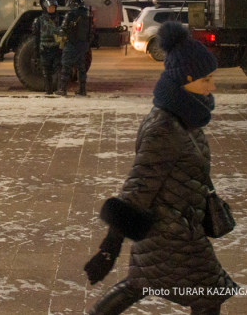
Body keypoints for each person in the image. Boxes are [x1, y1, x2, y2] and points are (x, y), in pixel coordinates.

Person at [84, 21, 237, 314]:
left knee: (139, 285)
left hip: (175, 226)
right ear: (184, 81)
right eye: (205, 80)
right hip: (170, 233)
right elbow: (139, 187)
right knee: (208, 294)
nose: (212, 87)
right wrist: (110, 247)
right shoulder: (165, 128)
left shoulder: (186, 118)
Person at [55, 0, 90, 96]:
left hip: (71, 44)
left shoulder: (70, 15)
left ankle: (62, 89)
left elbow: (63, 29)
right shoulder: (86, 14)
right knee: (81, 68)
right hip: (82, 45)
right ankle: (82, 90)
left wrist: (57, 31)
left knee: (66, 67)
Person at [32, 0, 61, 95]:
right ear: (45, 8)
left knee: (59, 71)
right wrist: (36, 50)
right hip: (44, 48)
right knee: (46, 71)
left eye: (53, 7)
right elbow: (36, 36)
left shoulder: (59, 19)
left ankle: (59, 89)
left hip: (56, 48)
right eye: (49, 7)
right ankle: (48, 90)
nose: (51, 9)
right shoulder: (39, 20)